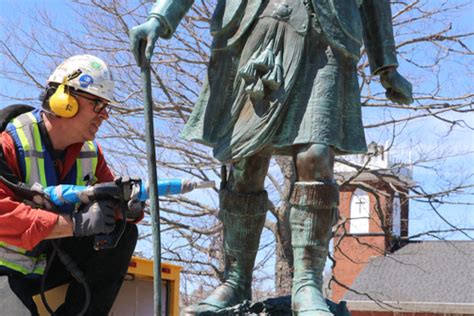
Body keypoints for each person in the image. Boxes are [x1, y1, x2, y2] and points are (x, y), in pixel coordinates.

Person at [130, 1, 413, 315]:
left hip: (324, 35)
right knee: (244, 163)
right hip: (255, 27)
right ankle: (235, 279)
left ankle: (307, 283)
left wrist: (386, 64)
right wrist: (161, 17)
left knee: (316, 156)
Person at [0, 55, 141, 315]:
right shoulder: (7, 143)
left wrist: (125, 208)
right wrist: (75, 224)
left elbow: (109, 201)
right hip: (3, 269)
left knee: (122, 233)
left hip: (42, 262)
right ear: (64, 101)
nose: (105, 115)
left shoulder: (90, 153)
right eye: (98, 104)